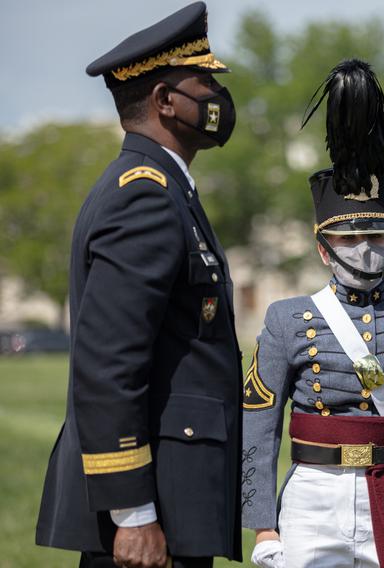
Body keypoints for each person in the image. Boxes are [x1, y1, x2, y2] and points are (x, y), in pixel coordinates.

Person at [35, 3, 243, 567]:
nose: (218, 100)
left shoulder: (166, 189)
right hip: (153, 513)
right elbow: (108, 364)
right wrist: (134, 513)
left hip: (173, 499)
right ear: (165, 102)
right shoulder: (145, 196)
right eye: (205, 83)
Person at [241, 60, 384, 568]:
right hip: (313, 500)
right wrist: (264, 528)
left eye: (377, 236)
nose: (365, 248)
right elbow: (259, 428)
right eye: (349, 238)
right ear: (324, 248)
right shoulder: (286, 319)